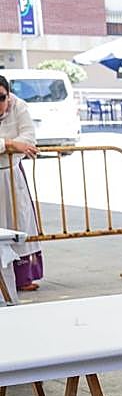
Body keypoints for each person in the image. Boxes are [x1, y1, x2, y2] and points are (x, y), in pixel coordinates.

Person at [0, 75, 42, 293]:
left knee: (20, 223)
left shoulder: (19, 107)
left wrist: (15, 146)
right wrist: (9, 143)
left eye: (1, 97)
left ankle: (23, 277)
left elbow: (29, 141)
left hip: (11, 173)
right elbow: (19, 143)